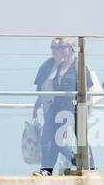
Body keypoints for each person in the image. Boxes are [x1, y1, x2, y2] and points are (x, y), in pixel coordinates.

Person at [32, 38, 95, 174]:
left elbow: (88, 87)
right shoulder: (52, 66)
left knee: (80, 138)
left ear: (71, 49)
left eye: (62, 48)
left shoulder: (79, 66)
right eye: (54, 48)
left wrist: (89, 106)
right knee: (50, 140)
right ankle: (49, 169)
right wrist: (36, 106)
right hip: (56, 109)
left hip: (75, 108)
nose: (57, 51)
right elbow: (44, 88)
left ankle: (89, 167)